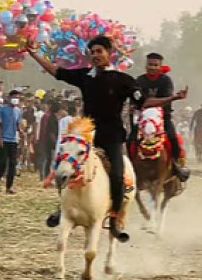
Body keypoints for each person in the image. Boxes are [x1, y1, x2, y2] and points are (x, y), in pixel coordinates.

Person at [27, 35, 188, 241]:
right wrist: (34, 54)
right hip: (87, 135)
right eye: (92, 52)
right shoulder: (85, 76)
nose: (95, 55)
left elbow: (145, 102)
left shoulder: (123, 80)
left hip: (112, 137)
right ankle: (62, 209)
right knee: (63, 169)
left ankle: (114, 220)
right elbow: (56, 72)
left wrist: (173, 98)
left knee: (118, 176)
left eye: (99, 51)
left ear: (109, 53)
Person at [130, 52, 190, 182]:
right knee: (130, 140)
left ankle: (176, 165)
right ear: (146, 65)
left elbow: (164, 101)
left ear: (160, 66)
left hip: (163, 118)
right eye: (150, 64)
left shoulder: (165, 80)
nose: (152, 67)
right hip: (143, 119)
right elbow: (141, 102)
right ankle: (130, 168)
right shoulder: (139, 81)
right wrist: (172, 97)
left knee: (173, 139)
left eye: (155, 65)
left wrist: (161, 100)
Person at [0, 89, 23, 194]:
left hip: (14, 140)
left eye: (17, 98)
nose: (16, 99)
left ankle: (9, 186)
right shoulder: (3, 109)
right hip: (4, 139)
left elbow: (18, 125)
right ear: (9, 98)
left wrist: (21, 133)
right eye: (14, 97)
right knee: (2, 162)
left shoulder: (19, 111)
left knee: (12, 164)